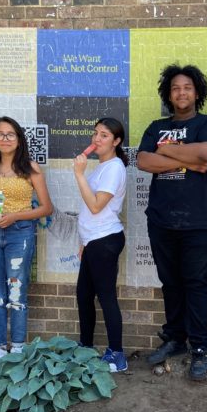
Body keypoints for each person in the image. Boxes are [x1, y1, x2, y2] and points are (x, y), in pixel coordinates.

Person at [137, 64, 207, 382]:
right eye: (175, 88)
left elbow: (206, 152)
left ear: (197, 92)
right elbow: (143, 160)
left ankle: (200, 348)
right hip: (161, 219)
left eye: (187, 87)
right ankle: (175, 339)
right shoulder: (156, 126)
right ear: (168, 94)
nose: (181, 92)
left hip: (201, 221)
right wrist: (187, 159)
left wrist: (169, 151)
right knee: (170, 283)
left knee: (196, 284)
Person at [0, 116, 53, 377]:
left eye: (10, 134)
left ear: (19, 140)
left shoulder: (30, 168)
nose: (4, 139)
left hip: (20, 233)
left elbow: (46, 207)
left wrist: (15, 216)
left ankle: (17, 349)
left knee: (17, 294)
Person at [73, 118, 129, 373]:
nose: (96, 139)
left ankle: (117, 354)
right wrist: (84, 241)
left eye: (104, 135)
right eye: (95, 133)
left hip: (105, 240)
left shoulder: (114, 168)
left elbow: (96, 205)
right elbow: (89, 210)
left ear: (116, 142)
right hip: (93, 241)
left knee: (106, 297)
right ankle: (85, 347)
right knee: (84, 296)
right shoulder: (101, 167)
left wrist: (78, 174)